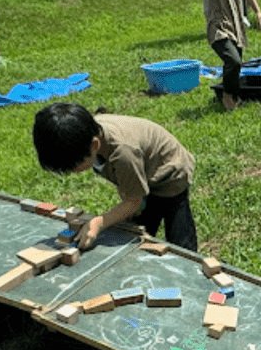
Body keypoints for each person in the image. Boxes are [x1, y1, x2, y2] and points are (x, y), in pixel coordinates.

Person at [32, 103, 198, 251]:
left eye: (74, 167)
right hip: (143, 168)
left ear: (94, 145)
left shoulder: (123, 153)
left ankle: (190, 266)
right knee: (138, 227)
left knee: (179, 236)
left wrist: (99, 222)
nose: (72, 172)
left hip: (170, 174)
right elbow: (130, 193)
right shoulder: (87, 132)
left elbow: (134, 202)